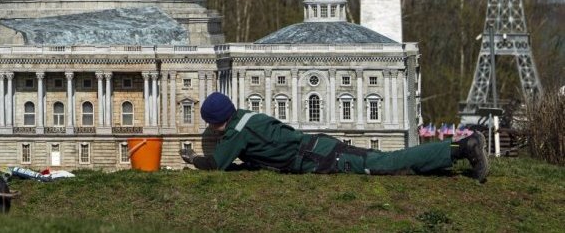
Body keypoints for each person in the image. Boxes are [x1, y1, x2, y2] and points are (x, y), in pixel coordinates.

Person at [180, 92, 488, 182]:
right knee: (388, 162)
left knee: (387, 164)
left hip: (323, 158)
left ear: (216, 122)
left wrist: (193, 158)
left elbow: (216, 166)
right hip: (320, 147)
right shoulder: (247, 117)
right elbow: (260, 159)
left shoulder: (236, 132)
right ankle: (454, 154)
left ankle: (463, 148)